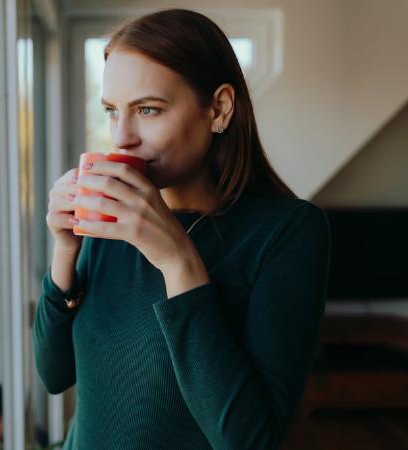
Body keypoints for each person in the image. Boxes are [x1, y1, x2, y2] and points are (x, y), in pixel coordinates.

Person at [33, 8, 330, 450]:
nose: (122, 137)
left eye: (148, 109)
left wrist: (177, 261)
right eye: (112, 111)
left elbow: (248, 441)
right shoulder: (111, 219)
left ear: (219, 109)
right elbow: (55, 375)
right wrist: (64, 249)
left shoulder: (286, 233)